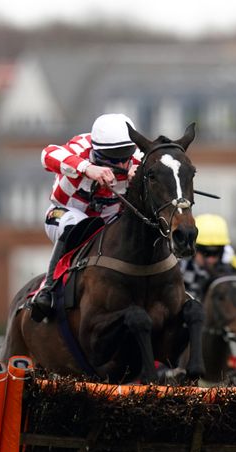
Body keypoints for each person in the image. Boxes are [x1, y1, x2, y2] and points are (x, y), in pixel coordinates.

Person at [30, 113, 140, 322]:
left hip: (110, 223)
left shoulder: (137, 158)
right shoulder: (81, 147)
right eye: (113, 157)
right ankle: (48, 290)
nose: (122, 163)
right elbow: (47, 155)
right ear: (95, 150)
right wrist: (87, 168)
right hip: (65, 214)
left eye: (126, 155)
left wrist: (142, 174)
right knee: (77, 224)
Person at [180, 213, 236, 298]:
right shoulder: (180, 268)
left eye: (216, 253)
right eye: (206, 253)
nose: (211, 259)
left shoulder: (231, 267)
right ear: (192, 248)